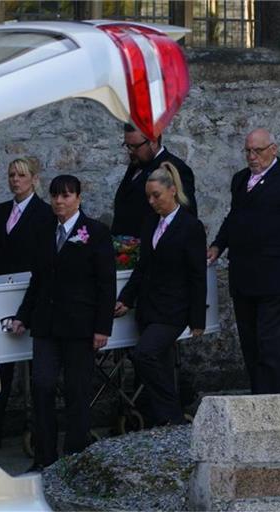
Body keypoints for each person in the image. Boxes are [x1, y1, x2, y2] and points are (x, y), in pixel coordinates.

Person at [11, 175, 116, 470]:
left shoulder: (95, 233)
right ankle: (45, 457)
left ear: (78, 198)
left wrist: (102, 327)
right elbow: (38, 280)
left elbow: (106, 284)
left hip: (80, 326)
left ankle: (75, 457)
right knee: (42, 385)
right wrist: (23, 316)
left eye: (66, 196)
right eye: (55, 196)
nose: (59, 201)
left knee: (77, 390)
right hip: (46, 325)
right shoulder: (45, 232)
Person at [207, 128, 280, 394]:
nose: (251, 156)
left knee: (271, 342)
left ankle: (273, 400)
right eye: (248, 151)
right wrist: (218, 245)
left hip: (277, 278)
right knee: (250, 343)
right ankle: (258, 397)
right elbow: (234, 218)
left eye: (257, 150)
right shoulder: (240, 180)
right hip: (244, 277)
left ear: (273, 149)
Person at [114, 162, 207, 426]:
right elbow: (142, 267)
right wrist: (126, 299)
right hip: (149, 308)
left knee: (144, 354)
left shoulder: (190, 227)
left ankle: (173, 416)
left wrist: (197, 318)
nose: (152, 201)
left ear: (173, 191)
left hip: (173, 310)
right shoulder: (149, 224)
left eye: (156, 195)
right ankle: (165, 422)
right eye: (148, 196)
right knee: (160, 365)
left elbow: (197, 275)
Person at [0, 157, 54, 450]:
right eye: (11, 175)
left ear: (33, 179)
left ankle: (39, 430)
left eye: (21, 175)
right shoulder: (1, 211)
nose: (15, 180)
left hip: (29, 291)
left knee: (36, 365)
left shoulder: (44, 214)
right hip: (0, 293)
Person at [111, 123, 197, 237]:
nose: (130, 151)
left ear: (154, 141)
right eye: (128, 146)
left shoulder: (175, 169)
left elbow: (185, 217)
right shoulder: (135, 165)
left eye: (136, 146)